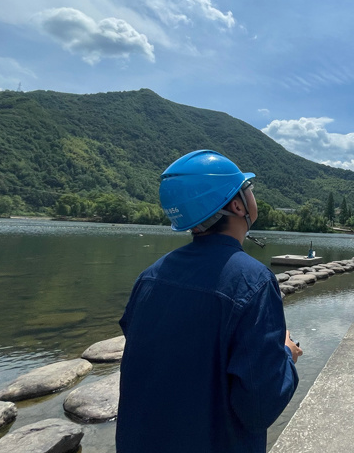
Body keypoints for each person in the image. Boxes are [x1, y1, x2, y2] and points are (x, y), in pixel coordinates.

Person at [116, 150, 302, 453]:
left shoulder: (150, 276)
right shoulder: (253, 281)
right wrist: (286, 355)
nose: (252, 193)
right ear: (237, 205)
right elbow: (259, 407)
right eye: (248, 188)